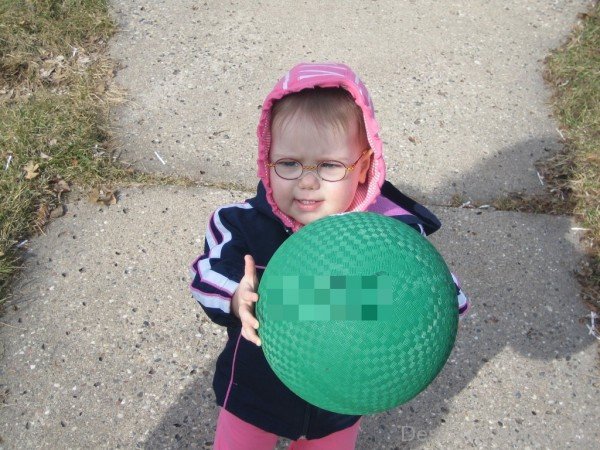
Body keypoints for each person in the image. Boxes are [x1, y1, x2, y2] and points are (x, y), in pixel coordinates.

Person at [189, 62, 469, 449]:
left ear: (363, 167)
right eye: (288, 163)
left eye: (329, 166)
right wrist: (238, 295)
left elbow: (439, 298)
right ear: (266, 159)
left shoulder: (388, 239)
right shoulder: (243, 225)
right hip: (254, 394)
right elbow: (205, 276)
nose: (307, 181)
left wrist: (426, 297)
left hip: (340, 398)